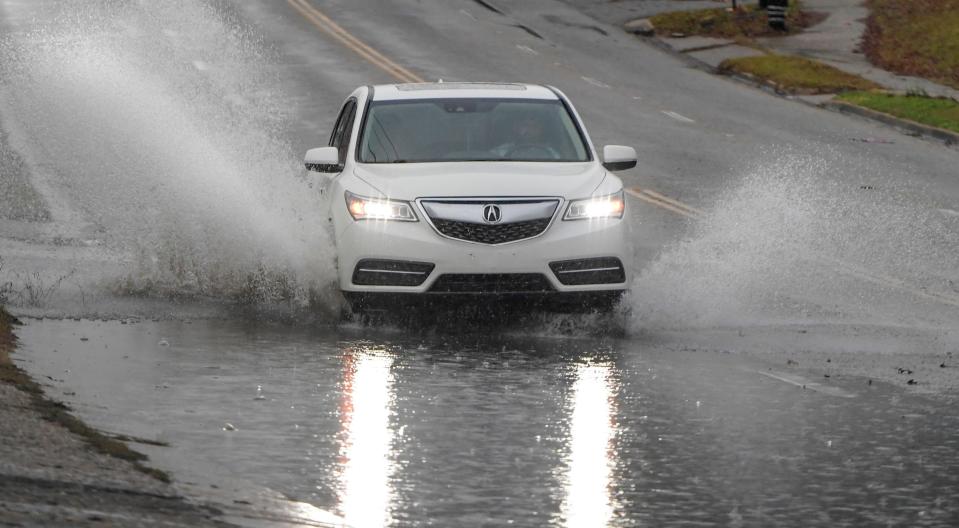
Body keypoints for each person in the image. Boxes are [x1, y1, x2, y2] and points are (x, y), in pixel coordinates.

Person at [490, 113, 561, 160]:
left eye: (534, 127)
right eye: (526, 125)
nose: (529, 130)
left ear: (541, 130)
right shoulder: (500, 152)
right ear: (516, 127)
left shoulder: (552, 154)